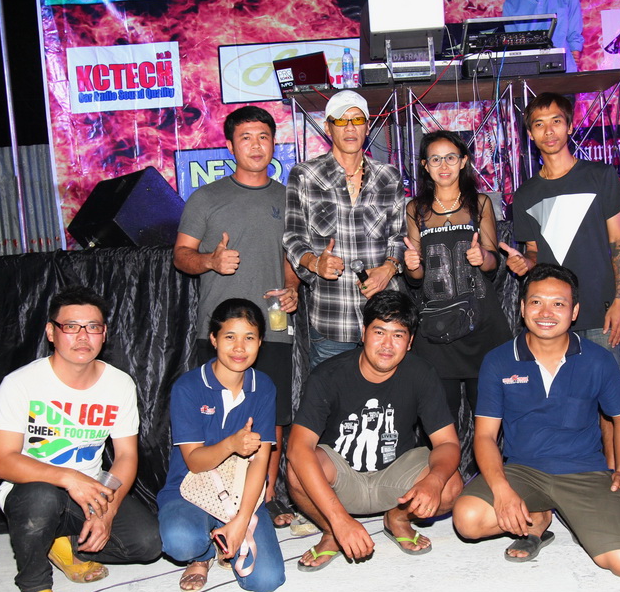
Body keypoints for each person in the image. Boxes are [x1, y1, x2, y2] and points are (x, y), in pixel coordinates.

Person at [452, 264, 620, 577]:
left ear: (574, 311)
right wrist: (502, 490)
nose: (546, 312)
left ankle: (568, 513)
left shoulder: (597, 359)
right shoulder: (499, 360)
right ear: (522, 307)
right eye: (536, 302)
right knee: (468, 520)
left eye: (558, 304)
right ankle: (539, 517)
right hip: (523, 471)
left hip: (584, 472)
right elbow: (485, 436)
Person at [0, 285, 161, 592]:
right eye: (71, 326)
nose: (83, 336)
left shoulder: (119, 384)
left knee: (147, 544)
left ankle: (63, 542)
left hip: (90, 492)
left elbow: (126, 456)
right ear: (51, 332)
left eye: (93, 327)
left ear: (104, 334)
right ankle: (34, 588)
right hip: (31, 489)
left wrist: (107, 510)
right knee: (42, 497)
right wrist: (69, 477)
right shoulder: (20, 383)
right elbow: (3, 460)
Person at [173, 105, 299, 529]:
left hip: (273, 329)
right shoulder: (206, 198)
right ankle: (209, 496)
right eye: (246, 137)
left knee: (274, 416)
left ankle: (268, 496)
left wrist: (294, 288)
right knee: (212, 417)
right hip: (219, 331)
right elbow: (181, 255)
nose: (256, 145)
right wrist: (210, 260)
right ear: (230, 146)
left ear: (273, 143)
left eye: (263, 137)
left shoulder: (288, 198)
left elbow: (291, 260)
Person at [286, 290, 463, 572]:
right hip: (342, 479)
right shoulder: (329, 375)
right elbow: (298, 448)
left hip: (395, 478)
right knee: (298, 468)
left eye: (398, 335)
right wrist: (339, 520)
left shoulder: (422, 374)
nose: (387, 344)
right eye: (379, 332)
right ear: (363, 333)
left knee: (450, 482)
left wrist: (435, 480)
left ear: (410, 342)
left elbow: (447, 443)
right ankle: (331, 533)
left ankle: (397, 519)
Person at [504, 92, 620, 466]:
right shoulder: (525, 195)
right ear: (530, 134)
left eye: (556, 121)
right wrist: (524, 264)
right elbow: (533, 253)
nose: (549, 131)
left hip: (602, 311)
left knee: (611, 405)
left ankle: (613, 479)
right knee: (562, 402)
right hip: (554, 317)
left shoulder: (600, 177)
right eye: (539, 124)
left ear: (570, 126)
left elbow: (619, 242)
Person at [156, 298, 286, 592]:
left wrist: (242, 520)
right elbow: (195, 462)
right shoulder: (188, 387)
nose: (239, 347)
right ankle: (202, 555)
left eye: (249, 338)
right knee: (181, 541)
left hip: (241, 492)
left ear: (260, 342)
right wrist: (231, 444)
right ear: (213, 339)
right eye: (230, 337)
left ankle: (226, 532)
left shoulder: (263, 386)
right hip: (190, 488)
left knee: (266, 581)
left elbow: (261, 460)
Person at [403, 130, 512, 478]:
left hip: (482, 327)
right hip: (437, 332)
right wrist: (412, 266)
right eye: (435, 159)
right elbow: (416, 281)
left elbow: (494, 265)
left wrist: (484, 258)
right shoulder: (415, 210)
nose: (444, 165)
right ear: (425, 166)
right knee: (441, 421)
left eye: (451, 157)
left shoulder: (480, 204)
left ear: (463, 161)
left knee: (489, 417)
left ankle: (490, 482)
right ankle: (444, 485)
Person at [282, 89, 407, 368]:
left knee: (387, 395)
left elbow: (399, 237)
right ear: (328, 128)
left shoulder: (388, 176)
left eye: (357, 119)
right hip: (331, 317)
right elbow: (293, 237)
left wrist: (388, 268)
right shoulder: (305, 175)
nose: (350, 127)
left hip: (383, 317)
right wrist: (315, 263)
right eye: (340, 120)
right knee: (331, 395)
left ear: (367, 126)